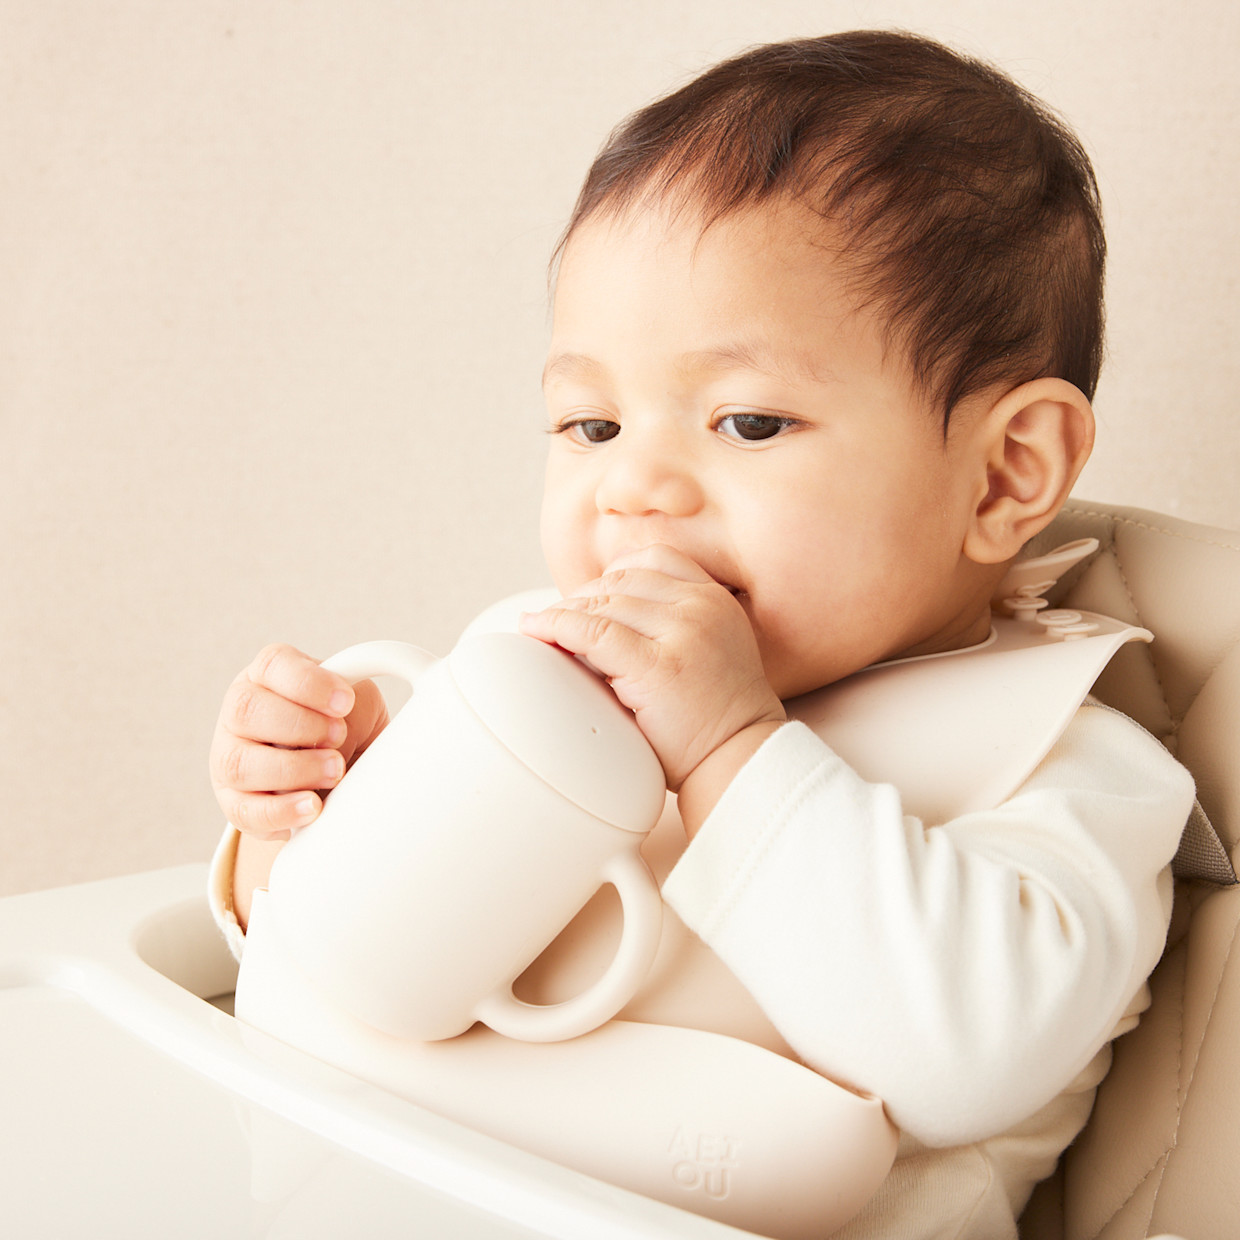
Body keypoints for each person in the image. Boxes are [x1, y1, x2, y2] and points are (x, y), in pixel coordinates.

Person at [208, 31, 1194, 1238]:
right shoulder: (540, 675)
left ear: (1003, 474)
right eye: (591, 425)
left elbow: (966, 1057)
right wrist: (307, 813)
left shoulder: (1073, 774)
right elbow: (321, 972)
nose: (633, 488)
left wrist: (732, 748)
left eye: (749, 422)